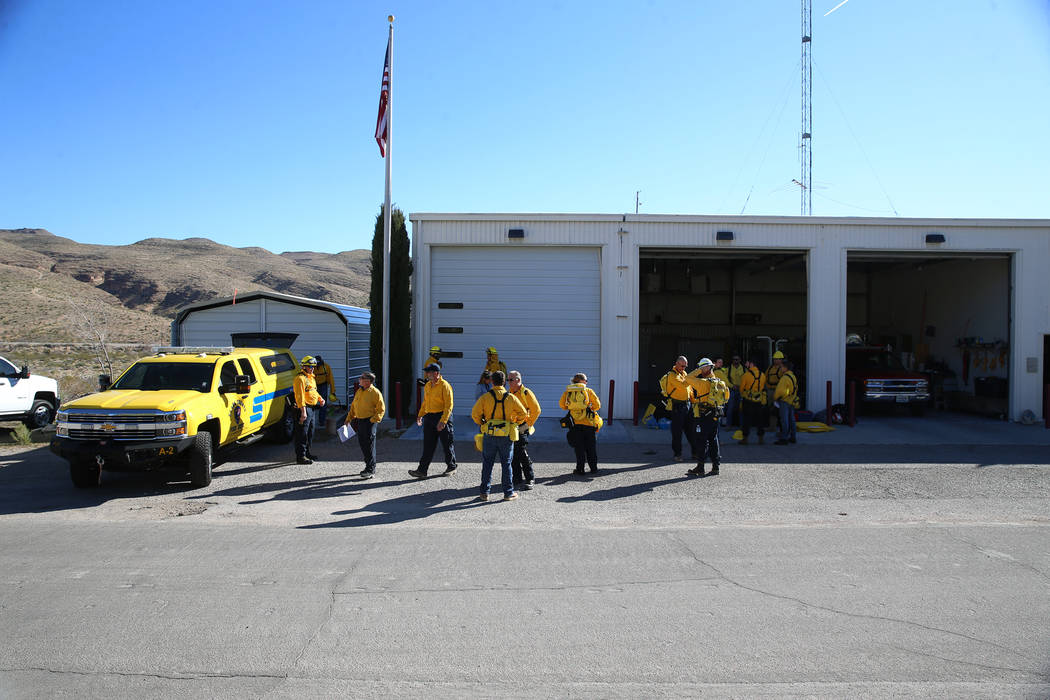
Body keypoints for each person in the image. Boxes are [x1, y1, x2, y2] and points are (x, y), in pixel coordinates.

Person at [471, 370, 529, 502]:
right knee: (506, 464)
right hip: (506, 435)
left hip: (489, 434)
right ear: (504, 382)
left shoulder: (485, 397)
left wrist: (482, 423)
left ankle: (484, 493)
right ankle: (508, 493)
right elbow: (523, 413)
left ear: (492, 381)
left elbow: (475, 414)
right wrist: (514, 423)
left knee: (487, 464)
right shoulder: (511, 397)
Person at [409, 363, 457, 478]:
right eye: (427, 372)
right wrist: (420, 415)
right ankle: (422, 471)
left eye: (429, 372)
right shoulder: (428, 385)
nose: (427, 374)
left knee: (447, 443)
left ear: (436, 373)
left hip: (442, 416)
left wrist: (443, 421)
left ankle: (451, 466)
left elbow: (449, 405)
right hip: (429, 416)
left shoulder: (445, 385)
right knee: (428, 445)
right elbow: (425, 402)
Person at [684, 358, 729, 477]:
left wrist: (697, 371)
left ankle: (700, 467)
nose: (700, 369)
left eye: (701, 367)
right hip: (715, 415)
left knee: (701, 440)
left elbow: (687, 378)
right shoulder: (719, 382)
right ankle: (715, 467)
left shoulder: (702, 383)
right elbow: (727, 397)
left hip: (703, 415)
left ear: (707, 368)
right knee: (713, 439)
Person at [345, 371, 385, 479]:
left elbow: (381, 409)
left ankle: (370, 469)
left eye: (362, 378)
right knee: (363, 443)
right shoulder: (359, 390)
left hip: (369, 421)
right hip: (359, 420)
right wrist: (349, 418)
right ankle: (368, 465)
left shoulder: (375, 392)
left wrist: (373, 420)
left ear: (368, 381)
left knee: (369, 444)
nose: (359, 379)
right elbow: (353, 406)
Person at [560, 373, 602, 475]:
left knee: (579, 448)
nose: (587, 382)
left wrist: (573, 408)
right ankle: (593, 468)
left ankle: (580, 469)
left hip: (575, 425)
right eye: (586, 380)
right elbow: (597, 406)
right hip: (589, 424)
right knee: (591, 447)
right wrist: (589, 408)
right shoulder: (588, 391)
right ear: (583, 381)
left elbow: (562, 405)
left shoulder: (568, 392)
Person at [507, 370, 541, 489]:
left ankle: (530, 478)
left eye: (511, 380)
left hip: (522, 427)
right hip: (512, 427)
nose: (508, 382)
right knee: (513, 453)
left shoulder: (526, 393)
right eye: (508, 380)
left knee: (521, 452)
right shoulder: (510, 393)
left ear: (518, 380)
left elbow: (536, 410)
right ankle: (517, 478)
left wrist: (526, 425)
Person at [658, 356, 695, 462]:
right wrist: (693, 376)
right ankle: (677, 454)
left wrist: (693, 401)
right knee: (677, 432)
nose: (684, 368)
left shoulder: (684, 374)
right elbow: (683, 385)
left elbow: (690, 389)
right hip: (677, 406)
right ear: (677, 364)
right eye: (682, 365)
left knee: (691, 430)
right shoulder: (672, 375)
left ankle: (695, 453)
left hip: (687, 405)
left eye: (685, 366)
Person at [292, 355, 325, 465]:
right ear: (304, 366)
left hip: (312, 408)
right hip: (303, 409)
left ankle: (307, 453)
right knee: (302, 433)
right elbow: (299, 396)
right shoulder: (300, 379)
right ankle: (301, 456)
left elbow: (313, 391)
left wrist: (320, 399)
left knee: (310, 432)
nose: (312, 368)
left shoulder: (311, 377)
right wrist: (303, 412)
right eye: (310, 366)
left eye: (313, 366)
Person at [738, 357, 767, 445]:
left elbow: (741, 389)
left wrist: (744, 394)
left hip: (748, 400)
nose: (746, 364)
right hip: (759, 400)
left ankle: (745, 439)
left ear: (751, 364)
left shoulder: (746, 375)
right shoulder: (763, 375)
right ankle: (761, 439)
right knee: (760, 420)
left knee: (746, 420)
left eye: (747, 363)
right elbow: (763, 387)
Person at [773, 359, 800, 445]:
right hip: (791, 401)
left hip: (784, 401)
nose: (780, 369)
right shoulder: (793, 376)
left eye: (781, 367)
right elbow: (795, 388)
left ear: (785, 368)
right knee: (791, 419)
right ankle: (793, 437)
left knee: (784, 420)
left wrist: (775, 398)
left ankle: (784, 438)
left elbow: (779, 391)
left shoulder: (784, 378)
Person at [765, 350, 788, 430]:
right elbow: (765, 378)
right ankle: (772, 427)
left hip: (779, 392)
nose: (775, 360)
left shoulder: (783, 369)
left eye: (777, 359)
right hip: (770, 391)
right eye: (774, 359)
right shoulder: (770, 368)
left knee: (781, 410)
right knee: (772, 409)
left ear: (781, 359)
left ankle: (782, 428)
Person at [313, 355, 333, 428]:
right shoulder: (311, 367)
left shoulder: (326, 367)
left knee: (323, 403)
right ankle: (311, 420)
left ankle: (322, 421)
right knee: (312, 403)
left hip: (323, 385)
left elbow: (331, 379)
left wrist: (332, 391)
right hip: (314, 386)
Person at [727, 355, 746, 427]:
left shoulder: (744, 369)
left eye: (737, 359)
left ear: (740, 360)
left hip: (742, 390)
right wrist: (732, 386)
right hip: (732, 390)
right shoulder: (728, 369)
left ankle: (742, 426)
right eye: (734, 359)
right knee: (730, 408)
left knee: (741, 408)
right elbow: (724, 379)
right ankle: (728, 425)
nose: (736, 361)